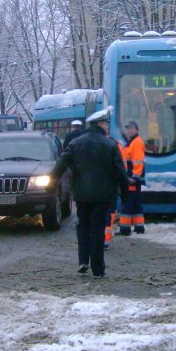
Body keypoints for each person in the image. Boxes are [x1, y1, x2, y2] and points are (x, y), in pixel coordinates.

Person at [49, 109, 129, 277]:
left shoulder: (76, 143)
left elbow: (61, 163)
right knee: (98, 229)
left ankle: (83, 261)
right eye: (106, 124)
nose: (107, 127)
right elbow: (121, 172)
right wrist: (125, 192)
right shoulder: (110, 145)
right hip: (103, 195)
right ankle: (98, 268)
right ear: (101, 124)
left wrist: (51, 183)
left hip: (82, 194)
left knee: (83, 226)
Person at [118, 121, 146, 235]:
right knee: (135, 205)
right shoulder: (133, 142)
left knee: (128, 204)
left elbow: (138, 162)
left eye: (131, 128)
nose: (129, 130)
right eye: (128, 128)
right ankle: (139, 227)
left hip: (132, 180)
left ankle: (125, 229)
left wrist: (134, 178)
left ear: (136, 130)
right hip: (134, 179)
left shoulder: (136, 143)